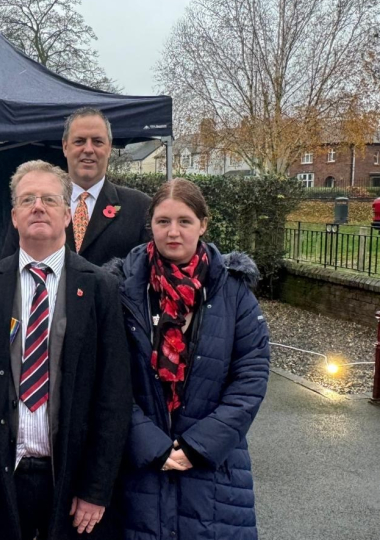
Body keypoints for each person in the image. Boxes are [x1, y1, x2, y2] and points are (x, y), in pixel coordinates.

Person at [0, 160, 132, 540]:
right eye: (27, 199)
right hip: (0, 483)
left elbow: (113, 397)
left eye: (49, 199)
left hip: (71, 483)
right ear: (14, 215)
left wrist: (96, 489)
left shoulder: (100, 289)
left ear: (67, 214)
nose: (38, 206)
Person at [110, 178, 270, 540]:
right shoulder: (122, 290)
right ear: (149, 224)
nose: (173, 232)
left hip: (215, 473)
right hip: (140, 470)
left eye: (184, 221)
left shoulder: (233, 291)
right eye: (163, 221)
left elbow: (251, 378)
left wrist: (198, 446)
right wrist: (152, 445)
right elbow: (111, 379)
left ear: (203, 224)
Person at [1, 107, 151, 265]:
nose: (88, 149)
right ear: (65, 147)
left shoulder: (139, 207)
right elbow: (7, 269)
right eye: (79, 141)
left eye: (97, 142)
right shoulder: (31, 206)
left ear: (109, 148)